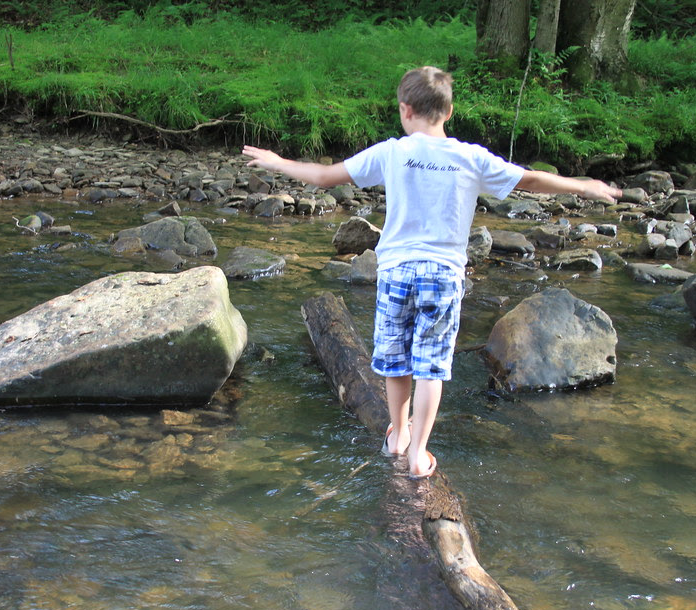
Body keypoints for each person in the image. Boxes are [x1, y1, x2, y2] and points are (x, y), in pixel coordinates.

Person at [242, 66, 621, 479]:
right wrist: (583, 186)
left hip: (397, 272)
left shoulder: (392, 152)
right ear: (449, 112)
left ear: (405, 110)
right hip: (442, 275)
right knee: (430, 366)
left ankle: (398, 436)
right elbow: (530, 180)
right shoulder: (470, 157)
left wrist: (277, 162)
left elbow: (324, 176)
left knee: (395, 361)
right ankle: (419, 454)